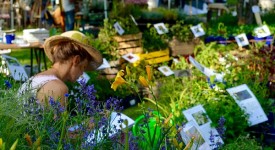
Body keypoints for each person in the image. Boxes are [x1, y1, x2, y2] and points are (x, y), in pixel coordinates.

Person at [18, 31, 103, 108]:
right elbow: (56, 125)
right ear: (76, 60)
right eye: (83, 67)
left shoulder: (36, 78)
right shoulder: (59, 88)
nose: (81, 74)